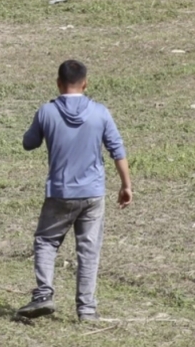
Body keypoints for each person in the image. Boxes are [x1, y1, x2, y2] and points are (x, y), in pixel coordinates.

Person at [16, 60, 132, 321]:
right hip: (93, 194)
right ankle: (87, 310)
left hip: (59, 192)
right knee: (88, 250)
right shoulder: (100, 113)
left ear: (58, 83)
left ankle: (44, 293)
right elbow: (117, 150)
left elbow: (28, 143)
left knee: (46, 241)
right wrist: (126, 185)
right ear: (86, 83)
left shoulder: (47, 111)